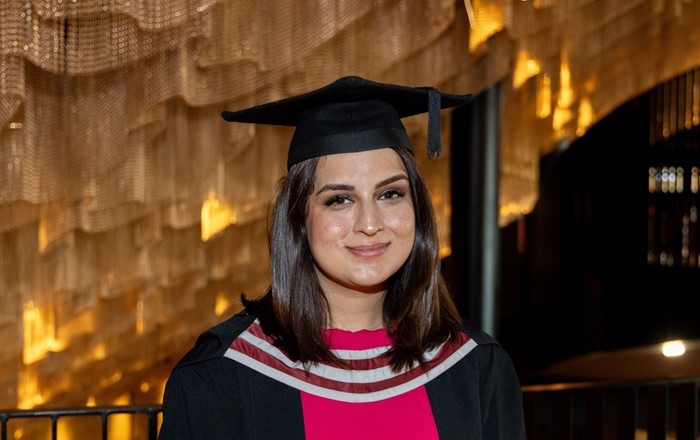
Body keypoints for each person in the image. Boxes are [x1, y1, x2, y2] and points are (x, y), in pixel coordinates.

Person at [158, 76, 526, 439]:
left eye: (390, 194)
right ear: (298, 219)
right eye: (339, 199)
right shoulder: (222, 376)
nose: (370, 224)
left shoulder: (476, 368)